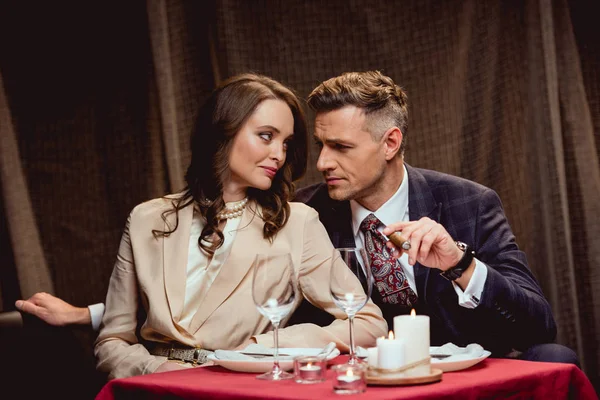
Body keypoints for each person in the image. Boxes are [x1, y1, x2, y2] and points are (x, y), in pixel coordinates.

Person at [92, 73, 386, 379]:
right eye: (266, 136)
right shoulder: (145, 219)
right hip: (154, 387)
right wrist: (154, 367)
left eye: (286, 143)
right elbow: (112, 340)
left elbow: (367, 322)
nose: (279, 154)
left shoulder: (296, 223)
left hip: (234, 386)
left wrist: (269, 345)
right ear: (223, 132)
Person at [289, 70, 578, 365]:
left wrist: (459, 264)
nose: (322, 162)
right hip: (356, 376)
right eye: (320, 145)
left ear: (390, 143)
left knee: (554, 358)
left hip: (458, 372)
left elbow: (538, 326)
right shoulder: (306, 213)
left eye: (341, 147)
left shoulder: (470, 203)